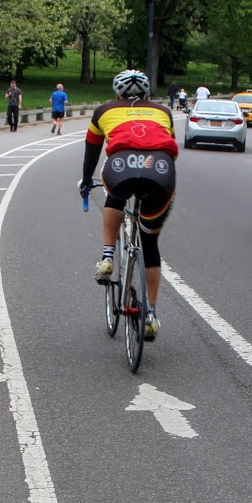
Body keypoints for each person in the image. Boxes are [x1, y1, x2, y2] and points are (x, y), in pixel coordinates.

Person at [77, 69, 177, 340]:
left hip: (120, 167)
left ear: (116, 93)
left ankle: (108, 256)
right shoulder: (163, 113)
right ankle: (151, 315)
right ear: (147, 94)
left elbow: (92, 151)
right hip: (160, 170)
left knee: (115, 194)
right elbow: (169, 146)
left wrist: (87, 181)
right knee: (150, 243)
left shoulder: (103, 111)